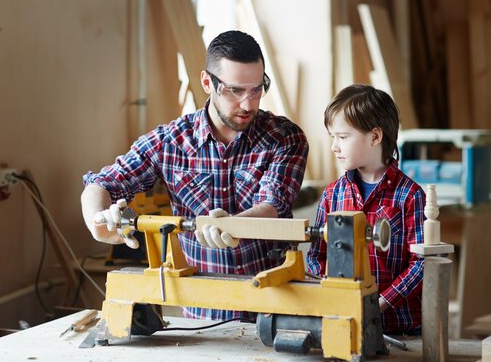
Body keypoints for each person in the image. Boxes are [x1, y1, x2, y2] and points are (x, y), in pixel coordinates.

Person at [81, 30, 308, 320]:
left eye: (256, 89)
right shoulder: (170, 142)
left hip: (275, 308)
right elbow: (101, 183)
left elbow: (272, 205)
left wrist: (230, 225)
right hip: (204, 314)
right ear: (207, 82)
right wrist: (98, 220)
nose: (249, 104)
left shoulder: (285, 138)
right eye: (236, 91)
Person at [306, 84, 424, 335]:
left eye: (343, 137)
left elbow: (420, 264)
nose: (334, 147)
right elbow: (316, 256)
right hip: (342, 323)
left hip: (398, 327)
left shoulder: (410, 196)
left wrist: (377, 305)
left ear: (375, 136)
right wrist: (332, 294)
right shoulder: (332, 195)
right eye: (332, 137)